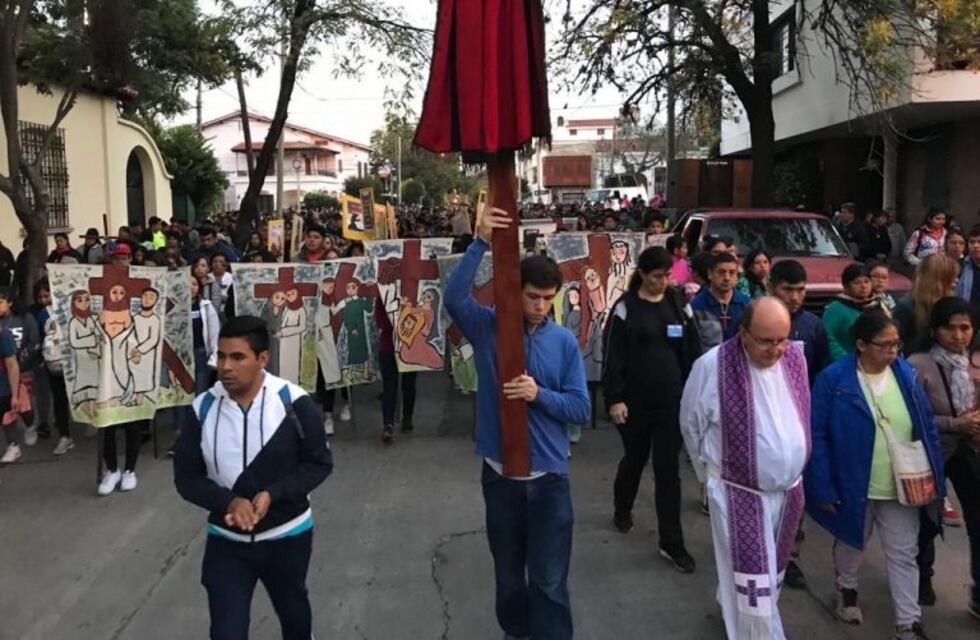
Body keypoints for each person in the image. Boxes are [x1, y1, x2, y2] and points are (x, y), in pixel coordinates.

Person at [445, 204, 590, 640]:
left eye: (549, 298)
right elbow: (453, 298)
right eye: (532, 296)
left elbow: (581, 409)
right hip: (500, 477)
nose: (540, 306)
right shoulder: (490, 327)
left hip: (549, 480)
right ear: (515, 290)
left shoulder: (563, 342)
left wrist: (537, 395)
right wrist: (480, 241)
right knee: (509, 578)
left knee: (548, 581)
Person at [174, 315, 332, 640]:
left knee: (294, 617)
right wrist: (228, 501)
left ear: (262, 359)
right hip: (226, 543)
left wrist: (274, 493)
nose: (225, 367)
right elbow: (186, 478)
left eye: (237, 357)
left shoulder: (294, 403)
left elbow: (319, 463)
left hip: (288, 538)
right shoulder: (202, 409)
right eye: (221, 356)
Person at [806, 311, 943, 640]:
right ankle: (847, 590)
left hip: (902, 484)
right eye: (885, 345)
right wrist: (822, 485)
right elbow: (817, 433)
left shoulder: (906, 375)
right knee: (853, 542)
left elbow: (927, 428)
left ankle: (908, 622)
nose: (893, 351)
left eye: (897, 344)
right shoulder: (834, 380)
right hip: (853, 482)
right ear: (861, 345)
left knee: (904, 552)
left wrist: (937, 477)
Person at [680, 297, 811, 640]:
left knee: (766, 574)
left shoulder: (795, 358)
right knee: (754, 586)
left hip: (789, 491)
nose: (777, 349)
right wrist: (707, 476)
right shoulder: (713, 366)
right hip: (740, 496)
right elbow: (691, 424)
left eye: (782, 339)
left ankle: (732, 606)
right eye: (767, 340)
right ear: (743, 333)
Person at [603, 246, 701, 571]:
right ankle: (622, 507)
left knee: (667, 471)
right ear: (643, 274)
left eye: (667, 275)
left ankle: (671, 542)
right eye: (657, 276)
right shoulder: (625, 308)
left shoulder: (679, 305)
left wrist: (695, 393)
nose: (663, 281)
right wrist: (615, 399)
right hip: (634, 404)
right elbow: (613, 356)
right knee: (634, 459)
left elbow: (692, 350)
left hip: (671, 403)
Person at [907, 297, 980, 616]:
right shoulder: (918, 364)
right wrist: (956, 423)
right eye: (950, 328)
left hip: (970, 451)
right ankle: (922, 577)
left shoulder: (975, 361)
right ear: (935, 330)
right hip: (931, 452)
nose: (958, 335)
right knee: (926, 519)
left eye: (965, 328)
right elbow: (912, 417)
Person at [768, 260, 830, 386]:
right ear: (771, 288)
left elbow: (821, 370)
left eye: (800, 290)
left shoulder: (813, 326)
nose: (794, 297)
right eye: (787, 289)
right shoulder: (753, 322)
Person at [0, 286, 40, 461]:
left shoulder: (24, 318)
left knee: (25, 405)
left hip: (24, 368)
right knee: (8, 409)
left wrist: (20, 360)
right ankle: (13, 444)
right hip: (4, 372)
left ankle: (30, 426)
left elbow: (34, 341)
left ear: (9, 301)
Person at [893, 253, 960, 354]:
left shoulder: (953, 304)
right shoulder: (906, 306)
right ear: (939, 280)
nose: (956, 281)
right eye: (952, 278)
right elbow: (897, 344)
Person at [822, 263, 887, 360]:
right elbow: (827, 336)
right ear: (846, 286)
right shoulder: (836, 308)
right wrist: (844, 359)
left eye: (866, 281)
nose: (863, 286)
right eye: (857, 283)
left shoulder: (879, 306)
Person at [375, 296, 417, 444]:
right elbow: (379, 319)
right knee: (389, 386)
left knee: (409, 384)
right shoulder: (383, 293)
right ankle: (388, 424)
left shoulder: (412, 291)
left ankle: (407, 418)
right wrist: (398, 322)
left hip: (408, 346)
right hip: (388, 345)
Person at [690, 252, 750, 345]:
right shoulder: (696, 306)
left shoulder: (747, 304)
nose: (727, 278)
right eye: (721, 272)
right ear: (710, 274)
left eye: (732, 273)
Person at [956, 224, 980, 308]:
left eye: (979, 242)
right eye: (972, 242)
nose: (975, 246)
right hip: (966, 314)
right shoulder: (959, 265)